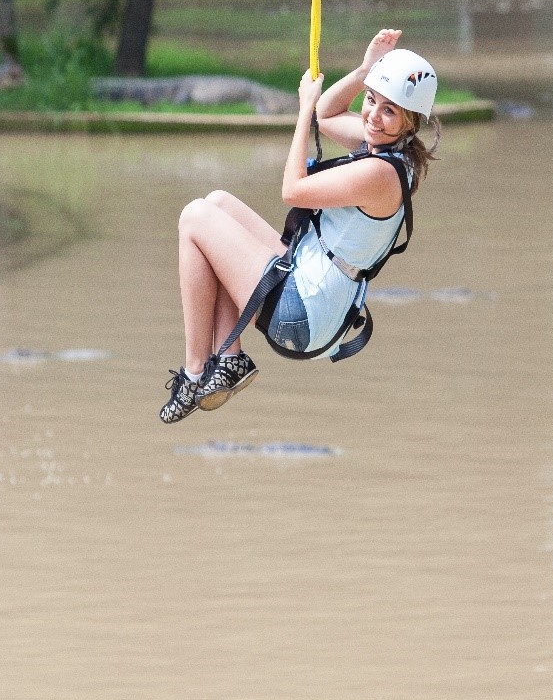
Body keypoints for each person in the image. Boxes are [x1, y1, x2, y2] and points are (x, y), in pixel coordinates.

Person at [160, 29, 440, 424]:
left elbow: (292, 190)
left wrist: (302, 109)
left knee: (194, 217)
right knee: (218, 203)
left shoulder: (379, 174)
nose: (373, 117)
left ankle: (194, 375)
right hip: (309, 288)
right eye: (370, 100)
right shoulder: (393, 150)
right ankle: (228, 358)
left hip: (301, 315)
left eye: (389, 110)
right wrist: (364, 71)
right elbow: (329, 114)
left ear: (410, 122)